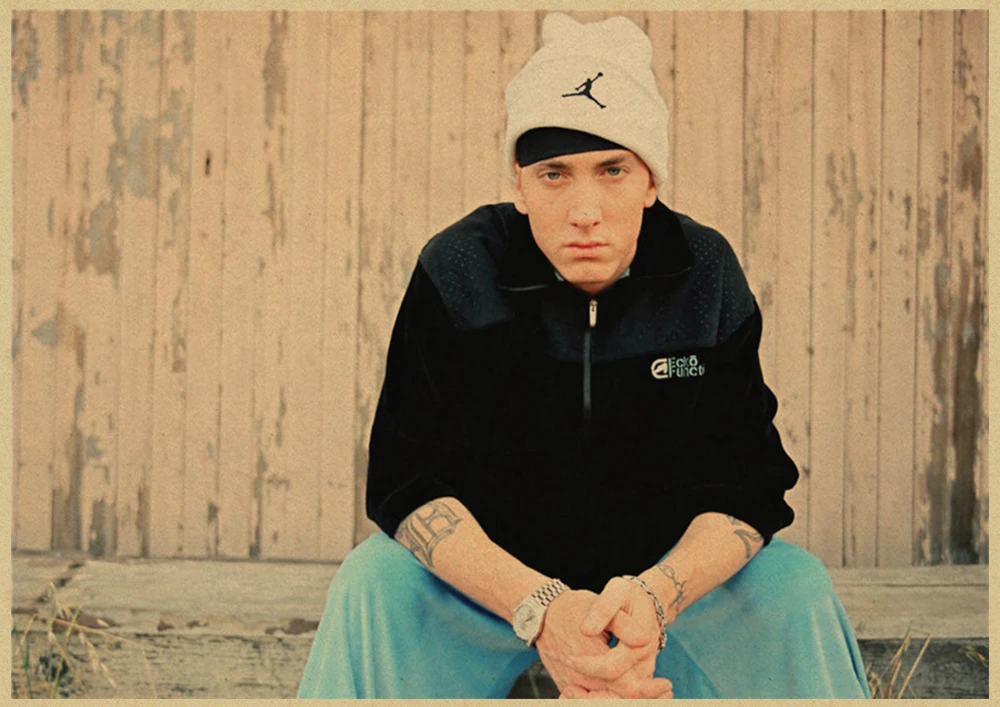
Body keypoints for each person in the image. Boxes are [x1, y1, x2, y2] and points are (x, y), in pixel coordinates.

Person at [297, 13, 870, 699]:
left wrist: (655, 597)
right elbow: (408, 481)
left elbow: (747, 483)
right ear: (519, 184)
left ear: (651, 181)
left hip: (661, 586)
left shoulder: (703, 272)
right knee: (373, 581)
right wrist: (540, 606)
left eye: (613, 170)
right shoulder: (459, 270)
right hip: (493, 585)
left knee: (795, 585)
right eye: (555, 174)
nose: (585, 210)